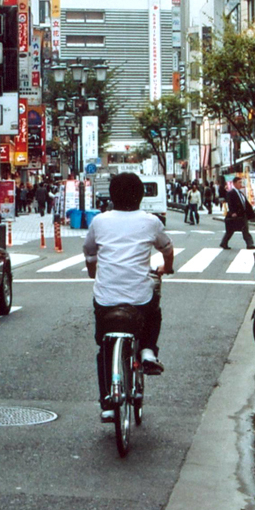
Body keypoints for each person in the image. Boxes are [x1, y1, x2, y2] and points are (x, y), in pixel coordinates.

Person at [82, 172, 174, 422]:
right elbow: (167, 249)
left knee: (104, 347)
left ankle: (108, 404)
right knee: (153, 310)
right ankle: (148, 351)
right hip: (139, 298)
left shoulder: (99, 221)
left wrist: (93, 271)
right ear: (140, 196)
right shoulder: (151, 221)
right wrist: (167, 267)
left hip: (106, 299)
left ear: (112, 196)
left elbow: (89, 252)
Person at [219, 176, 255, 251]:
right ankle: (224, 243)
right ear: (234, 183)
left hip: (242, 214)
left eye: (241, 182)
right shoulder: (231, 193)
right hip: (235, 215)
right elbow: (230, 203)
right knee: (230, 230)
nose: (240, 184)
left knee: (245, 229)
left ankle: (250, 244)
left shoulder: (241, 193)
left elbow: (245, 203)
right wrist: (233, 212)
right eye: (239, 182)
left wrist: (250, 211)